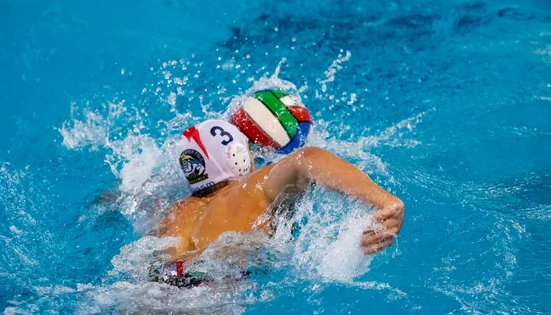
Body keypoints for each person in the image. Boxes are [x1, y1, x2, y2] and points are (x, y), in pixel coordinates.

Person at [155, 119, 404, 284]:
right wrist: (386, 201)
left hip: (157, 286)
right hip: (208, 292)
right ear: (236, 157)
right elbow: (307, 159)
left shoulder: (174, 213)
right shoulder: (249, 190)